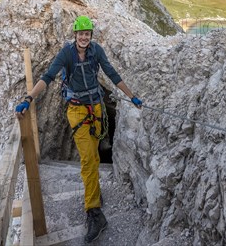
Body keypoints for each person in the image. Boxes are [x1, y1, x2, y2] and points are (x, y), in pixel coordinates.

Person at [16, 15, 142, 244]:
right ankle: (94, 211)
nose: (84, 37)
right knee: (87, 160)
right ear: (75, 35)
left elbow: (112, 74)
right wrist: (29, 98)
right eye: (80, 34)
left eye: (87, 34)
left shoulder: (97, 51)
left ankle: (93, 191)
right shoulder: (66, 54)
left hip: (96, 108)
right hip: (77, 111)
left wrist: (132, 97)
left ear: (90, 36)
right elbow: (47, 77)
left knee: (93, 157)